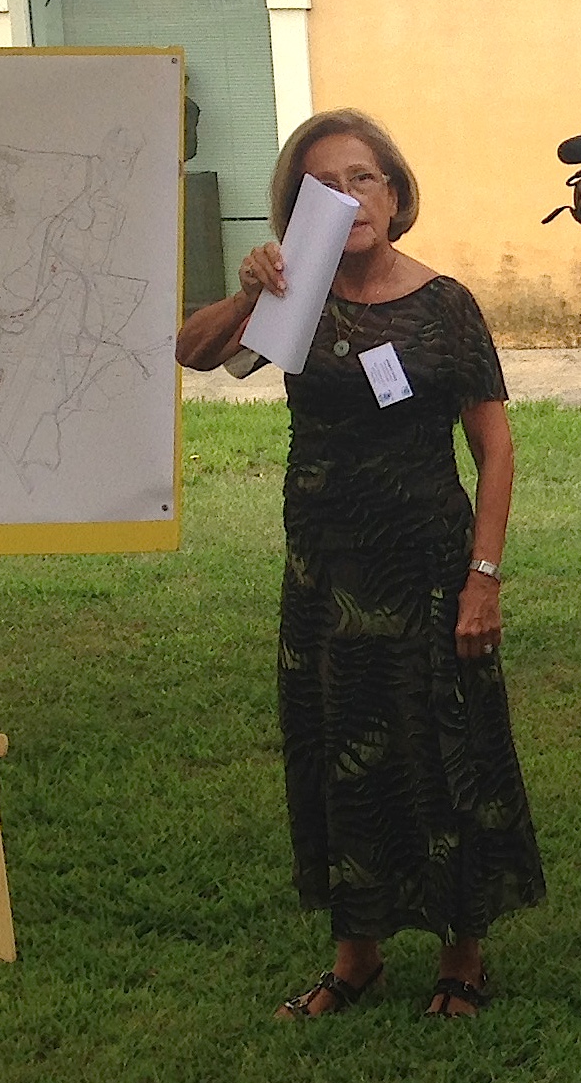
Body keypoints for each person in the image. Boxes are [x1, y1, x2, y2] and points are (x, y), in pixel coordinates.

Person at [177, 109, 544, 1021]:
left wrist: (483, 576)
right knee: (337, 748)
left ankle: (462, 955)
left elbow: (495, 448)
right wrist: (247, 291)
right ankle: (357, 956)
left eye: (364, 178)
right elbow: (195, 353)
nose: (350, 198)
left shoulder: (447, 303)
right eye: (325, 185)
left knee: (443, 749)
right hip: (325, 570)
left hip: (428, 563)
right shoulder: (295, 298)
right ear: (300, 207)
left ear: (396, 190)